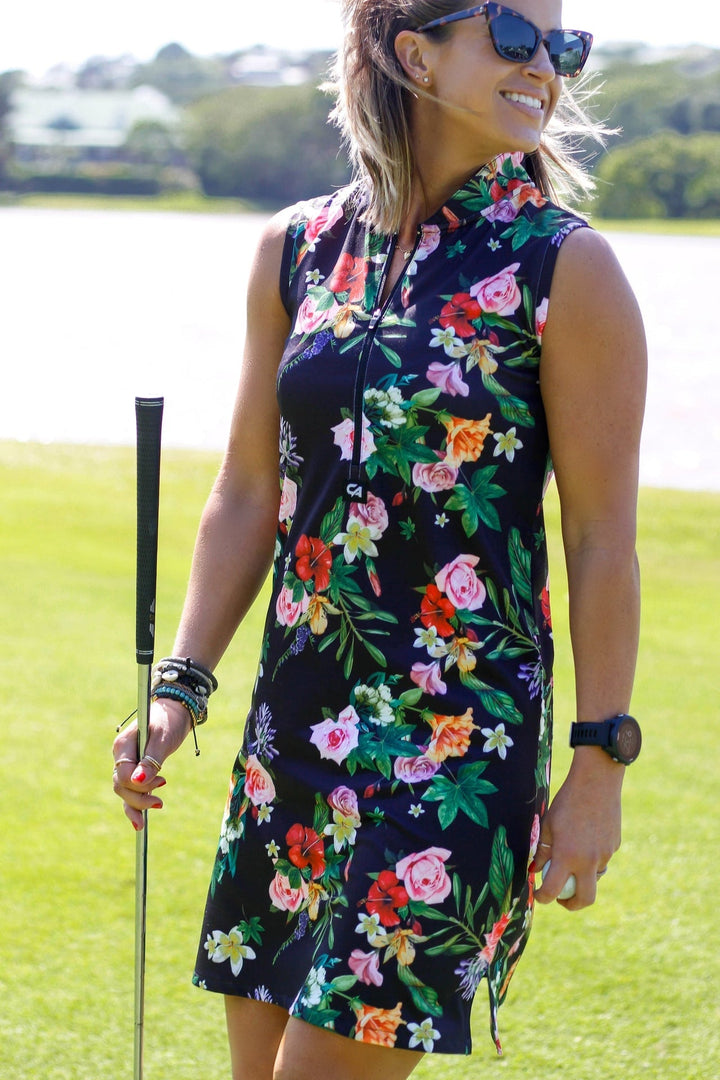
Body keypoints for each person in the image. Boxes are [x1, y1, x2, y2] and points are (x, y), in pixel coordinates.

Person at [113, 2, 647, 1077]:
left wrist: (601, 761)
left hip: (455, 750)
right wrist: (180, 687)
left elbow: (600, 537)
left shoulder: (565, 268)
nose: (543, 64)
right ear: (413, 50)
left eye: (561, 44)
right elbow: (248, 491)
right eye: (511, 31)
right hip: (293, 738)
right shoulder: (297, 248)